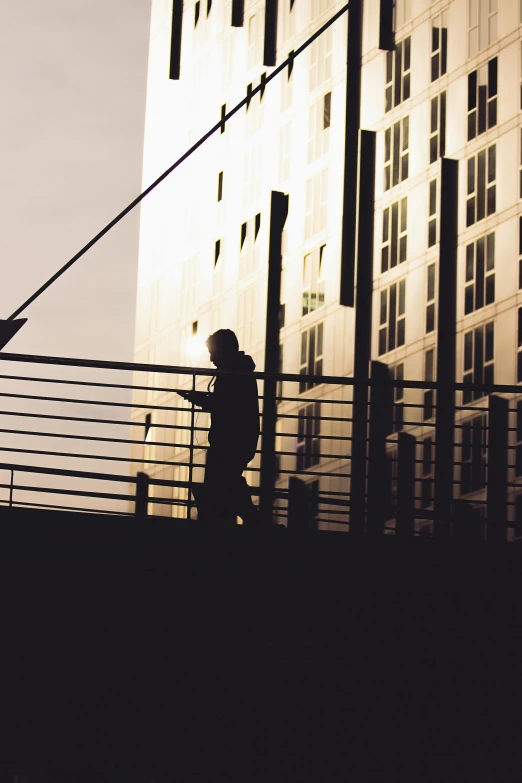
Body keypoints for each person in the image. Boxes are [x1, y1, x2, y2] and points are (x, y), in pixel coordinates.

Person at [177, 329, 260, 526]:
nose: (212, 359)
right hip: (239, 438)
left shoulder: (233, 373)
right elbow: (229, 403)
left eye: (213, 353)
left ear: (224, 349)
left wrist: (201, 400)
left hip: (231, 440)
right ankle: (252, 520)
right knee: (227, 481)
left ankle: (251, 520)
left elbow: (226, 405)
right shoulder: (238, 370)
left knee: (223, 483)